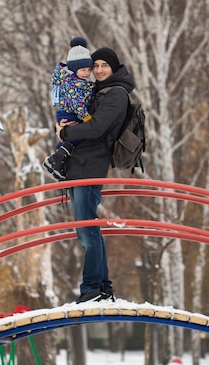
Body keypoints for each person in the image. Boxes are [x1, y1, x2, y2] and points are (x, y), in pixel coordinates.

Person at [55, 46, 136, 303]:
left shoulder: (116, 95)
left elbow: (97, 128)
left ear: (113, 68)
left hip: (91, 165)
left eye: (104, 66)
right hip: (82, 164)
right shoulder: (99, 91)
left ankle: (91, 287)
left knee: (87, 229)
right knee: (88, 229)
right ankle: (102, 285)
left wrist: (65, 134)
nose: (99, 70)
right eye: (96, 65)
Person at [43, 37, 95, 181]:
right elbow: (76, 103)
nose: (86, 73)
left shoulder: (75, 81)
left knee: (74, 138)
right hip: (71, 113)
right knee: (78, 136)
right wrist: (87, 118)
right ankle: (56, 160)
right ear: (74, 69)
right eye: (83, 70)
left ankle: (59, 162)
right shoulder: (74, 84)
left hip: (67, 113)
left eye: (89, 70)